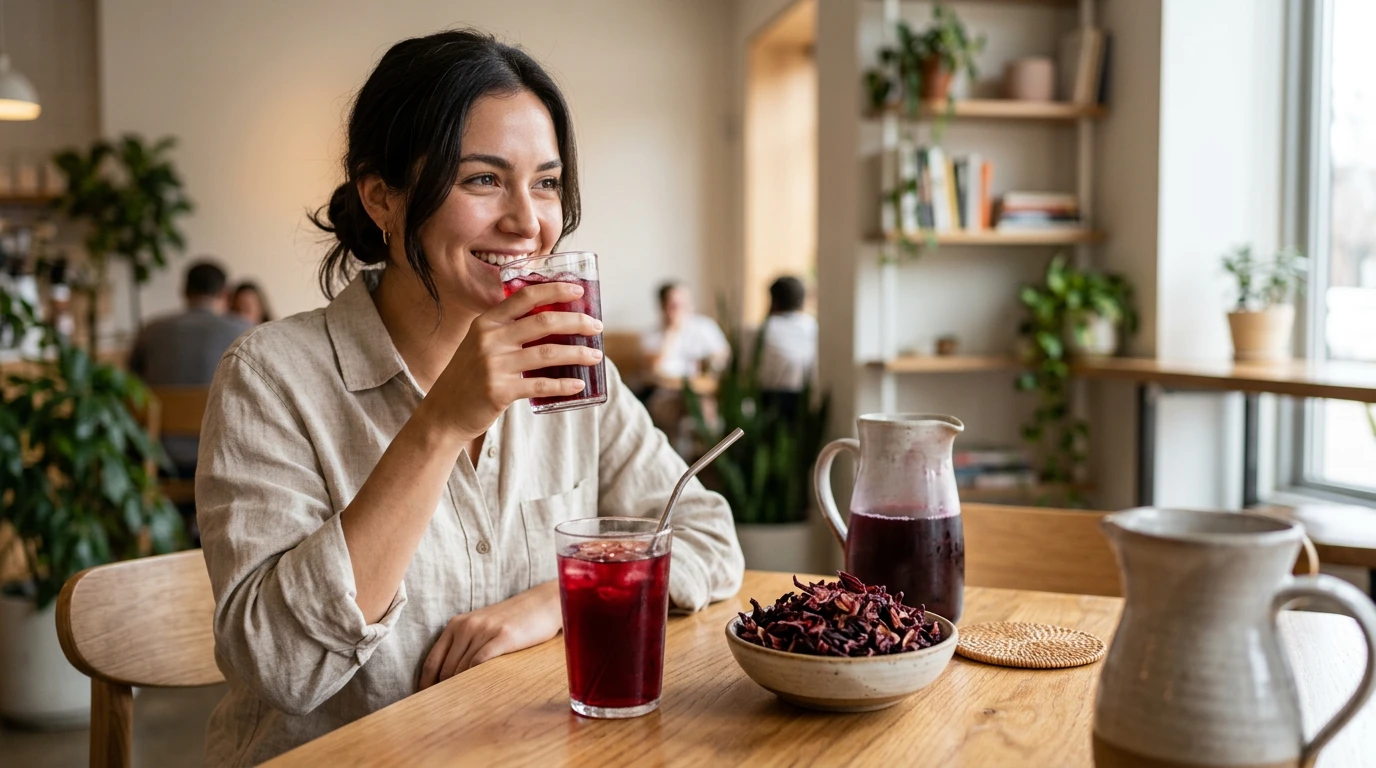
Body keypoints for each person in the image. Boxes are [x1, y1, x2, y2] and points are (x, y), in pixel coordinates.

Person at [195, 30, 743, 765]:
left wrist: (554, 604)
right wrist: (441, 422)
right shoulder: (270, 379)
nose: (527, 221)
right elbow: (283, 665)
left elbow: (707, 537)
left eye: (546, 183)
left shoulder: (568, 364)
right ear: (381, 195)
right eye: (483, 180)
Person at [128, 259, 250, 474]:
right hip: (224, 459)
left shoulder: (151, 331)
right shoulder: (244, 332)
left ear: (184, 290)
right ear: (225, 293)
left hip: (157, 457)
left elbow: (130, 385)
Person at [640, 281, 730, 384]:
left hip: (698, 388)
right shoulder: (651, 333)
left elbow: (723, 355)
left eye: (685, 303)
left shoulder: (705, 326)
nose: (682, 309)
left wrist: (711, 363)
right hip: (663, 389)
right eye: (674, 305)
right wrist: (672, 332)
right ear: (662, 306)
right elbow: (652, 367)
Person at [756, 275, 818, 417]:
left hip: (769, 401)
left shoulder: (764, 329)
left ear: (773, 301)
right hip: (808, 400)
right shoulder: (812, 326)